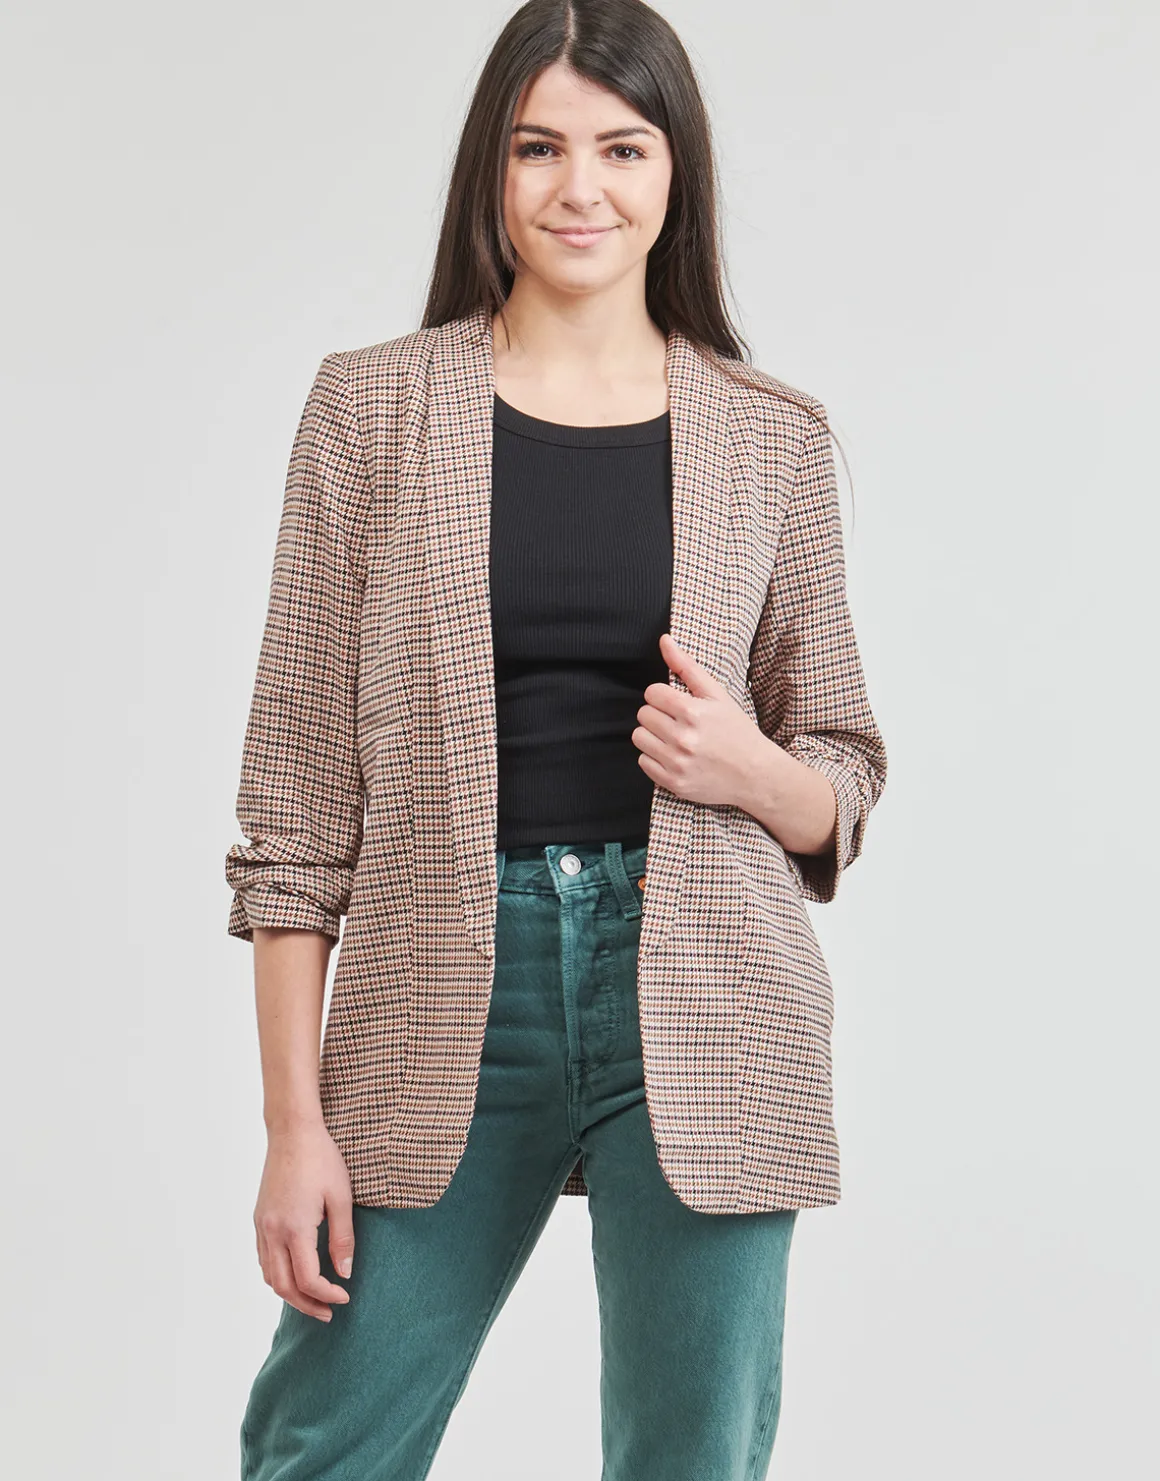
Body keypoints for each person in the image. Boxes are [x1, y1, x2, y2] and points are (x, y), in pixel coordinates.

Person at [225, 2, 888, 1477]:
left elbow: (842, 763)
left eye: (622, 148)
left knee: (690, 1457)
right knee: (325, 1445)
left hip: (713, 990)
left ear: (674, 171)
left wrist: (754, 772)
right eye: (540, 148)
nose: (580, 187)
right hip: (441, 982)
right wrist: (291, 1125)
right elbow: (294, 801)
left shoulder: (772, 437)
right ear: (492, 167)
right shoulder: (370, 410)